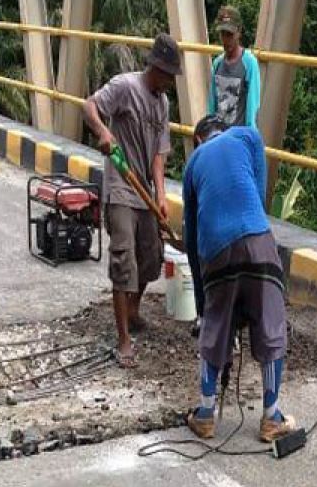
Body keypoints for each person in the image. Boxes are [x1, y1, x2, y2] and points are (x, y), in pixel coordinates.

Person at [181, 116, 295, 443]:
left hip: (214, 249)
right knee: (270, 322)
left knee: (215, 326)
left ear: (199, 140)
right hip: (256, 236)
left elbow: (191, 237)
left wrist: (205, 304)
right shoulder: (248, 136)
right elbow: (258, 197)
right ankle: (271, 418)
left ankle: (204, 415)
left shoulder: (193, 164)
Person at [84, 33, 180, 368]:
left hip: (145, 193)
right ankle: (123, 339)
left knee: (151, 258)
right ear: (156, 67)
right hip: (121, 187)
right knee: (124, 260)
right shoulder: (125, 87)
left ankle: (134, 310)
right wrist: (104, 132)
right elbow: (90, 105)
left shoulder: (163, 103)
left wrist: (162, 194)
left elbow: (159, 155)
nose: (170, 82)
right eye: (169, 75)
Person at [207, 5, 261, 129]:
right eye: (223, 34)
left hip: (238, 137)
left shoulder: (249, 63)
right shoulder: (217, 64)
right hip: (219, 136)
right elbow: (211, 105)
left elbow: (252, 108)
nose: (226, 40)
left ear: (239, 32)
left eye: (230, 35)